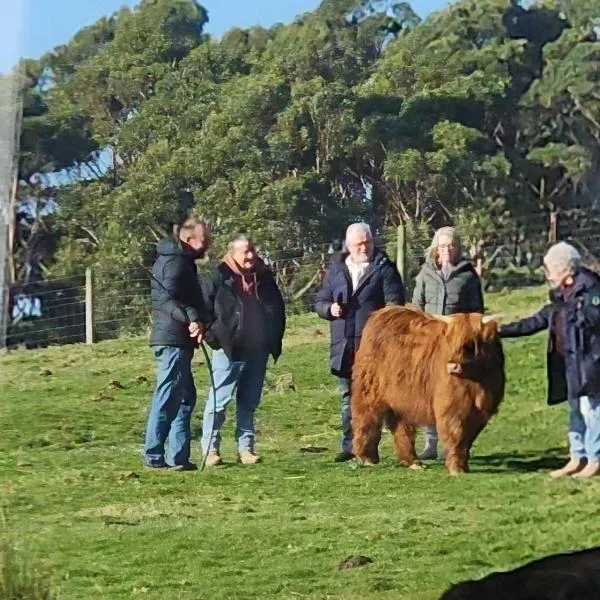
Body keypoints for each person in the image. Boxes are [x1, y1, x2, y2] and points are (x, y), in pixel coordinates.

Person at [500, 242, 600, 479]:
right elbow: (536, 321)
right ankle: (577, 456)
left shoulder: (591, 292)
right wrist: (500, 330)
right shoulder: (561, 297)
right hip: (571, 365)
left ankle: (595, 459)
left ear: (564, 269)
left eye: (550, 269)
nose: (547, 275)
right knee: (576, 410)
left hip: (591, 364)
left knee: (592, 411)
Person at [315, 222, 405, 462]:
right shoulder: (336, 269)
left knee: (376, 397)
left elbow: (395, 306)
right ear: (349, 245)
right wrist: (329, 308)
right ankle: (350, 446)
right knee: (348, 398)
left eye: (368, 242)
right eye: (359, 244)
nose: (364, 247)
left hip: (375, 347)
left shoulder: (384, 269)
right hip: (344, 345)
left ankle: (370, 448)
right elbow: (320, 300)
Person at [200, 235, 286, 466]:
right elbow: (203, 309)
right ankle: (210, 449)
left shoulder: (264, 277)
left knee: (249, 401)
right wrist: (214, 338)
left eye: (252, 251)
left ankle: (246, 449)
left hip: (258, 349)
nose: (250, 256)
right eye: (245, 252)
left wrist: (272, 338)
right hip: (229, 349)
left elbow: (277, 306)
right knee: (219, 401)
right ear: (232, 253)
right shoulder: (219, 277)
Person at [144, 217, 211, 471]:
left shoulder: (183, 262)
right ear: (189, 239)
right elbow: (165, 300)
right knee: (168, 395)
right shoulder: (173, 262)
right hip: (172, 338)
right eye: (205, 239)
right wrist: (190, 318)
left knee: (184, 397)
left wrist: (200, 318)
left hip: (181, 338)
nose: (208, 244)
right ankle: (153, 455)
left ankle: (178, 457)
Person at [412, 226, 484, 460]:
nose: (446, 250)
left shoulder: (468, 276)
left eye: (451, 245)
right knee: (431, 393)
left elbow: (477, 312)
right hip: (431, 344)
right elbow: (416, 309)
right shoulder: (425, 274)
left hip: (457, 345)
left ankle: (455, 445)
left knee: (457, 395)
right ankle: (430, 444)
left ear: (458, 248)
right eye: (442, 246)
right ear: (435, 248)